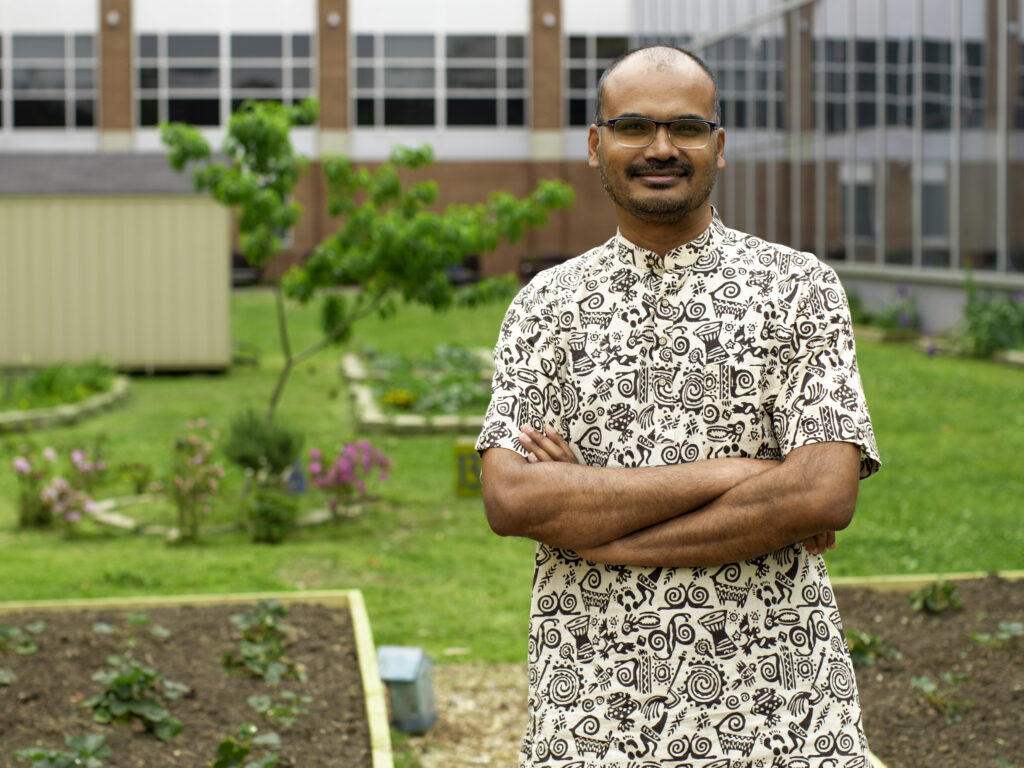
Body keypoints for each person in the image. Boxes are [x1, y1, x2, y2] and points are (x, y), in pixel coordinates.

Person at [475, 45, 881, 768]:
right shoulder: (546, 306)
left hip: (780, 708)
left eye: (686, 128)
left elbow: (822, 492)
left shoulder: (797, 288)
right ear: (597, 145)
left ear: (717, 147)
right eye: (634, 126)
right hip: (593, 709)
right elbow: (514, 500)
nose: (660, 148)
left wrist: (601, 532)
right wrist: (745, 473)